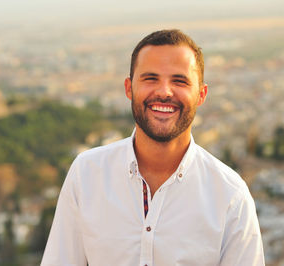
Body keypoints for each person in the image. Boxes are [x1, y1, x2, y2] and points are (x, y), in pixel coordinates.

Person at [41, 29, 265, 266]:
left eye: (179, 81)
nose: (164, 92)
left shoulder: (230, 196)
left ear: (201, 94)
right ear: (129, 89)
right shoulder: (87, 174)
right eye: (150, 79)